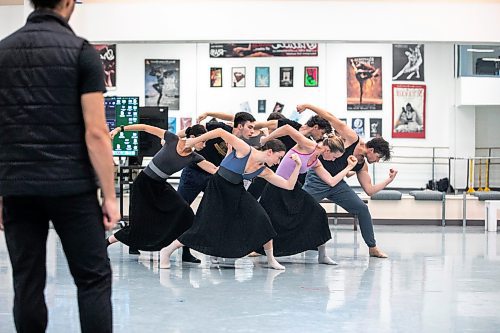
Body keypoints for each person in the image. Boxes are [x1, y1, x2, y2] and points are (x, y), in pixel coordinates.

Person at [0, 1, 120, 332]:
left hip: (18, 187)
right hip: (73, 188)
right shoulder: (81, 52)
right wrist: (110, 196)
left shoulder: (3, 51)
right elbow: (96, 132)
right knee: (93, 278)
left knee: (27, 280)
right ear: (67, 3)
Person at [159, 128, 302, 270]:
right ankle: (167, 250)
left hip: (237, 190)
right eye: (279, 157)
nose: (278, 162)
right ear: (270, 152)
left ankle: (271, 259)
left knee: (262, 219)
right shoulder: (245, 150)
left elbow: (288, 185)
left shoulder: (264, 171)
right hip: (218, 189)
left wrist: (298, 166)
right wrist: (193, 141)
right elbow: (221, 131)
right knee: (202, 227)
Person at [106, 124, 217, 263]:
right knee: (138, 225)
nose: (205, 145)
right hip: (143, 184)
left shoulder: (194, 157)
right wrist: (119, 129)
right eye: (203, 141)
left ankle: (185, 253)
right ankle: (106, 243)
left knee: (186, 213)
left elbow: (213, 169)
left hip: (160, 186)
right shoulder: (172, 139)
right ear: (193, 138)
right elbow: (145, 128)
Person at [297, 104, 397, 258]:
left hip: (337, 185)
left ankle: (372, 247)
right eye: (377, 158)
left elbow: (369, 190)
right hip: (318, 179)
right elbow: (329, 116)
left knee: (362, 209)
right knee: (296, 208)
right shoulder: (352, 138)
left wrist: (388, 180)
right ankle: (266, 244)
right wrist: (307, 106)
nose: (376, 161)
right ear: (371, 150)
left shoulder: (362, 165)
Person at [258, 125, 358, 264]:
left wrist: (349, 167)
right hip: (277, 186)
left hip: (292, 188)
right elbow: (287, 128)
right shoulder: (309, 146)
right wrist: (265, 139)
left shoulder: (316, 162)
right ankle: (261, 251)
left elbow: (331, 181)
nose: (333, 160)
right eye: (334, 157)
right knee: (267, 219)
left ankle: (322, 255)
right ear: (327, 150)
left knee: (319, 213)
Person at [177, 112, 257, 205]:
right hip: (194, 171)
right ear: (240, 126)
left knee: (217, 206)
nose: (252, 131)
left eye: (253, 128)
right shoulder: (221, 128)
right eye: (250, 127)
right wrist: (175, 137)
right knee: (181, 206)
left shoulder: (241, 145)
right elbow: (192, 130)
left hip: (212, 174)